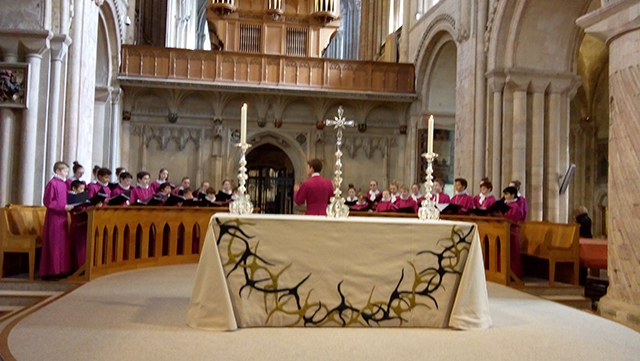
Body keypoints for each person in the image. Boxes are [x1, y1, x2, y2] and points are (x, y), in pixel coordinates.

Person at [40, 162, 75, 280]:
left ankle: (61, 269)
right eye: (65, 171)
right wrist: (63, 207)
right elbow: (48, 202)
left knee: (62, 244)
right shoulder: (52, 183)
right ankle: (51, 271)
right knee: (54, 244)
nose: (66, 173)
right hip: (54, 217)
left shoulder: (64, 184)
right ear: (58, 171)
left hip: (63, 217)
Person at [501, 186, 524, 279]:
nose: (505, 196)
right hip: (503, 230)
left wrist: (501, 216)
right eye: (504, 194)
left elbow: (512, 219)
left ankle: (513, 273)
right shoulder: (504, 204)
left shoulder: (515, 206)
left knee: (511, 253)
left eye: (506, 194)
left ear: (512, 195)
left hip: (511, 231)